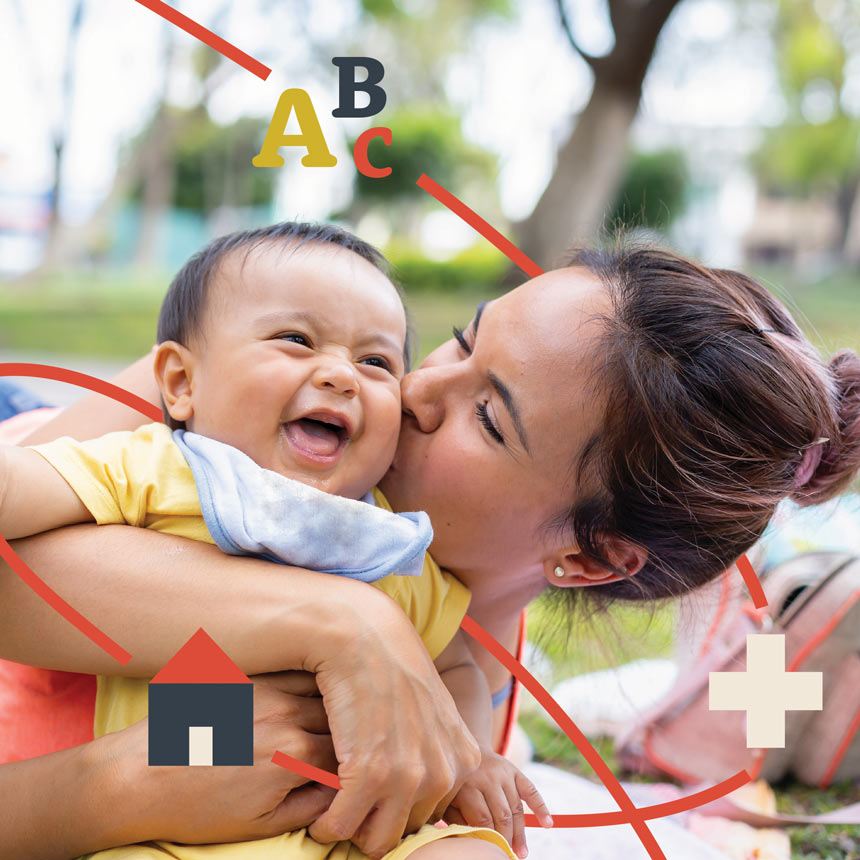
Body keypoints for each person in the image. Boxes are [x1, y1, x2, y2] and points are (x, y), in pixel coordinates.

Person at [1, 244, 859, 860]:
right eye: (459, 340)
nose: (411, 388)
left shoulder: (454, 670)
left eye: (488, 417)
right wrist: (339, 623)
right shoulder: (222, 404)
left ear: (592, 561)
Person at [0, 222, 550, 860]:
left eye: (376, 362)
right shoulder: (155, 469)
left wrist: (469, 753)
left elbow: (456, 668)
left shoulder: (385, 539)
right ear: (179, 384)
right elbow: (19, 487)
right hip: (177, 799)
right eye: (296, 339)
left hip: (354, 822)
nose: (342, 375)